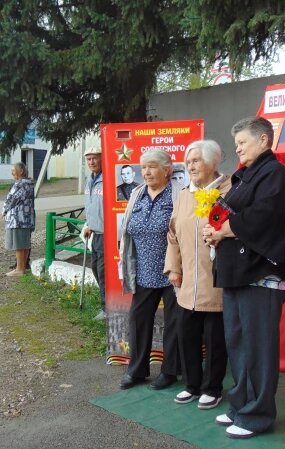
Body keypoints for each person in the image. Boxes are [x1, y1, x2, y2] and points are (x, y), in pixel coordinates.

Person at [203, 117, 285, 439]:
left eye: (243, 143)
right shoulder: (245, 176)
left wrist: (224, 229)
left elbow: (263, 218)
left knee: (257, 348)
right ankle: (240, 405)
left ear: (263, 140)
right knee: (239, 345)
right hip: (238, 275)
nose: (238, 149)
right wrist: (212, 228)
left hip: (261, 276)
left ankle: (256, 415)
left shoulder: (274, 175)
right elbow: (226, 211)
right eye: (236, 145)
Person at [164, 140, 229, 409]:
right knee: (186, 333)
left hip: (215, 279)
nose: (190, 166)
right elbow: (173, 235)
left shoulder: (228, 191)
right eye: (187, 162)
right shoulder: (184, 194)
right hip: (187, 280)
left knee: (214, 338)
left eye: (196, 161)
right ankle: (192, 384)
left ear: (213, 163)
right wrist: (174, 267)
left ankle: (212, 388)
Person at [118, 149, 182, 390]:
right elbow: (127, 231)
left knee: (174, 323)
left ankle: (170, 371)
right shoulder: (137, 194)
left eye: (152, 166)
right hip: (143, 270)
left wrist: (178, 267)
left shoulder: (178, 194)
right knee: (138, 320)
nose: (146, 172)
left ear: (167, 170)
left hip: (172, 271)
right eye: (143, 167)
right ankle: (137, 370)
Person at [83, 146, 107, 320]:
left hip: (107, 234)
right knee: (96, 269)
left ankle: (107, 309)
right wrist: (88, 224)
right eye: (88, 159)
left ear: (101, 158)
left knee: (103, 272)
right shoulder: (90, 179)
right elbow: (92, 206)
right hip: (95, 233)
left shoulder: (106, 178)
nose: (92, 162)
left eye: (95, 158)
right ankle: (106, 303)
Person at [2, 161, 35, 276]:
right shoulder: (29, 183)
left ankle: (19, 269)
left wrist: (4, 210)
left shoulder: (21, 184)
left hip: (18, 219)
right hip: (26, 218)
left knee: (19, 244)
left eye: (13, 171)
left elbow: (13, 199)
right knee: (24, 243)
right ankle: (22, 268)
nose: (12, 173)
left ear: (21, 171)